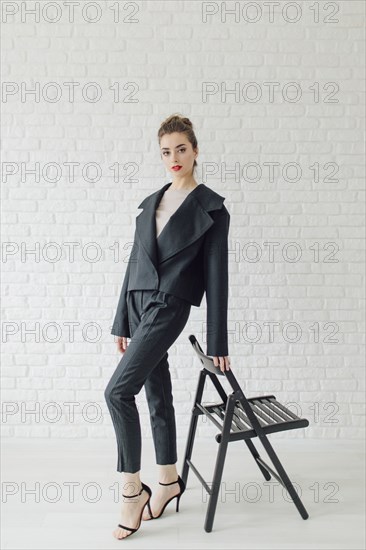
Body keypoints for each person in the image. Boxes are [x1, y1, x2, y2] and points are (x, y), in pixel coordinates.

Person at [104, 114, 231, 539]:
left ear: (195, 150)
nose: (173, 158)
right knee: (156, 394)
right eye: (165, 151)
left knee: (117, 391)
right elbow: (134, 262)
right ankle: (168, 480)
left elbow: (216, 277)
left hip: (169, 304)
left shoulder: (211, 207)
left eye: (181, 149)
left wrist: (218, 340)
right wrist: (121, 318)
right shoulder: (151, 202)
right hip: (138, 302)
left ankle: (130, 491)